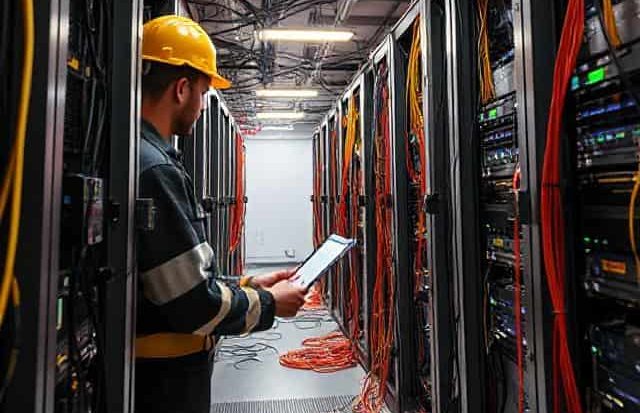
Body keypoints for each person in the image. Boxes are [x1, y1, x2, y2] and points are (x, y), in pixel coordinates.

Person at [135, 15, 307, 413]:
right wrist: (269, 303)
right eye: (203, 92)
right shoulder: (155, 169)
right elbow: (194, 305)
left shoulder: (144, 157)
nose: (201, 106)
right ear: (182, 89)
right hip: (165, 383)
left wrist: (250, 282)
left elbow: (183, 278)